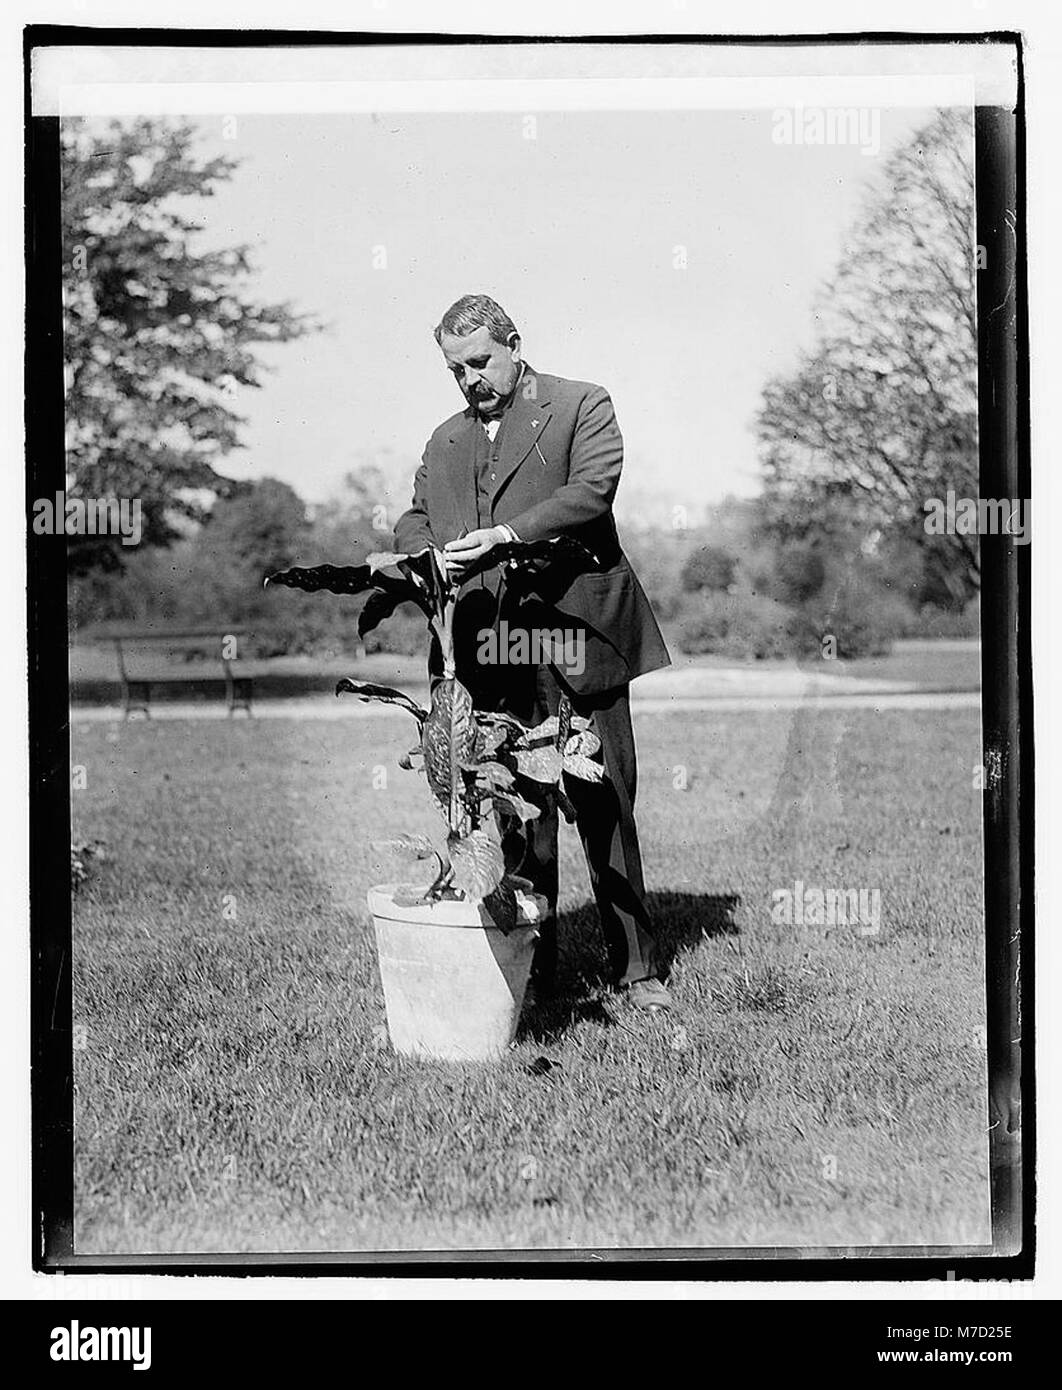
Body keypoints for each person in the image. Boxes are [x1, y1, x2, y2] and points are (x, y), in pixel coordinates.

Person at [394, 294, 673, 1011]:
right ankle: (531, 971)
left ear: (516, 344)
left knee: (603, 795)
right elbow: (415, 514)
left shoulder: (582, 404)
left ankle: (638, 972)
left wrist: (508, 536)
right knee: (515, 805)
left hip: (580, 631)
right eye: (456, 369)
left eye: (481, 361)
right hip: (491, 642)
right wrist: (421, 554)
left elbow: (592, 490)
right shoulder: (444, 440)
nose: (469, 380)